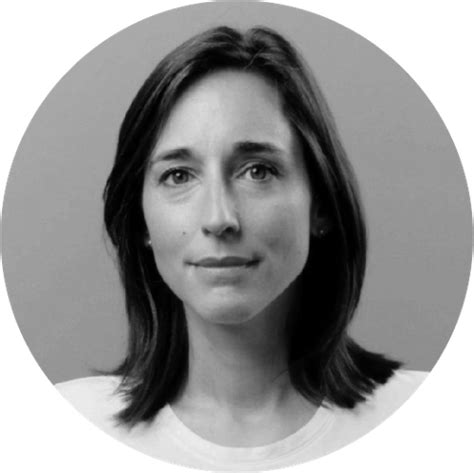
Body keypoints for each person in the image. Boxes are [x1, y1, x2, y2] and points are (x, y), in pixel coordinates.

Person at [56, 26, 427, 470]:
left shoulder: (438, 421)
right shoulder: (60, 431)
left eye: (257, 171)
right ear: (141, 221)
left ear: (321, 205)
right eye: (178, 175)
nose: (219, 218)